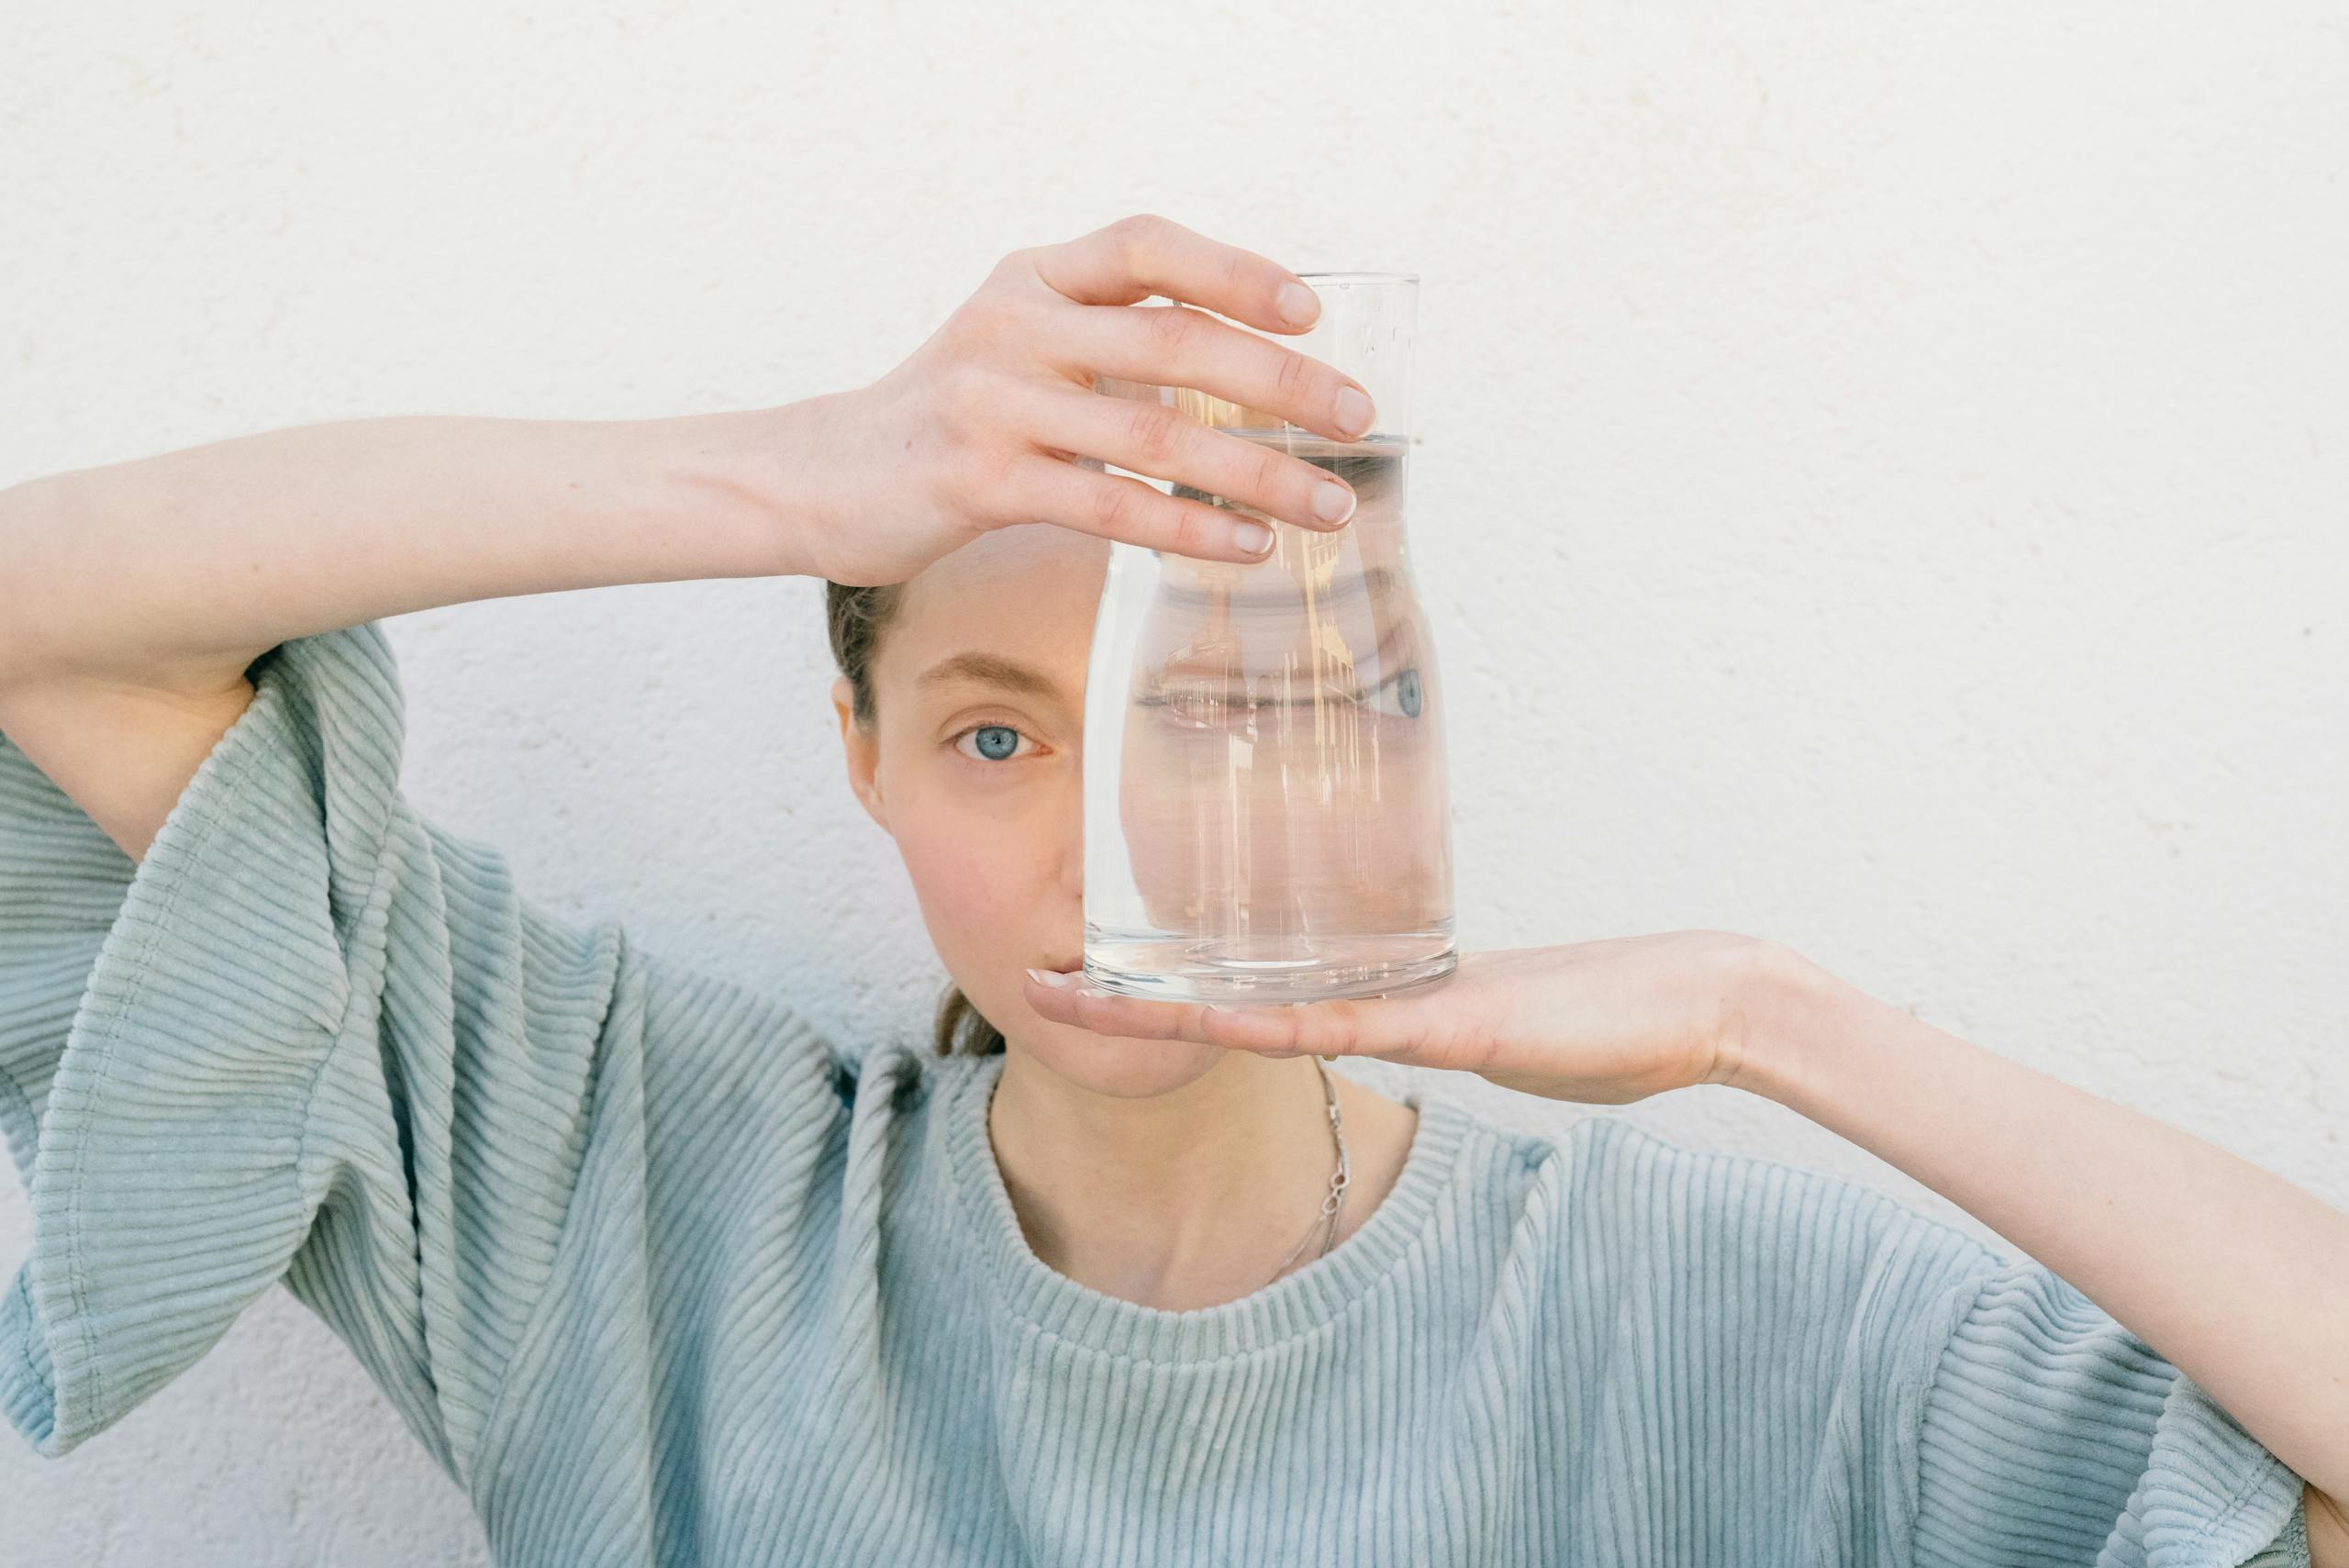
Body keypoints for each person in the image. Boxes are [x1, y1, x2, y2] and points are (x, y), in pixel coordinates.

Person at [0, 212, 2336, 1567]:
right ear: (863, 754)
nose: (1103, 843)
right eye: (1001, 733)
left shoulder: (1704, 1313)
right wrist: (801, 472)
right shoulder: (620, 1174)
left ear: (1363, 732)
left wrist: (1771, 1016)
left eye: (1207, 716)